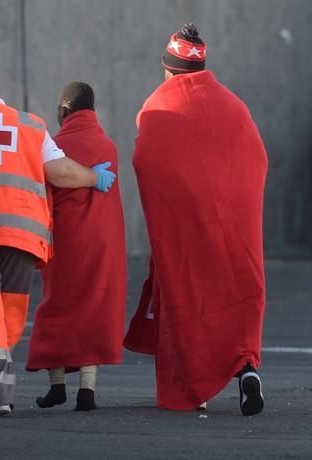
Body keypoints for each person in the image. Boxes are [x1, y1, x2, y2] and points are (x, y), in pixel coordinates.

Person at [0, 54, 117, 417]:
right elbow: (60, 172)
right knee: (7, 312)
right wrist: (94, 177)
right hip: (20, 234)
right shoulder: (30, 125)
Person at [123, 24, 268, 416]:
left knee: (189, 296)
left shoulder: (157, 106)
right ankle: (246, 367)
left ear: (168, 68)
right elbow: (257, 159)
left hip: (186, 226)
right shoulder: (233, 105)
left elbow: (145, 161)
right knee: (239, 293)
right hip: (235, 225)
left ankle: (193, 388)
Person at [26, 82, 127, 411]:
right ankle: (88, 390)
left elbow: (45, 192)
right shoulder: (108, 146)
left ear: (64, 110)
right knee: (93, 308)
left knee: (58, 307)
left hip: (66, 242)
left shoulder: (56, 145)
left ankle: (57, 386)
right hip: (103, 243)